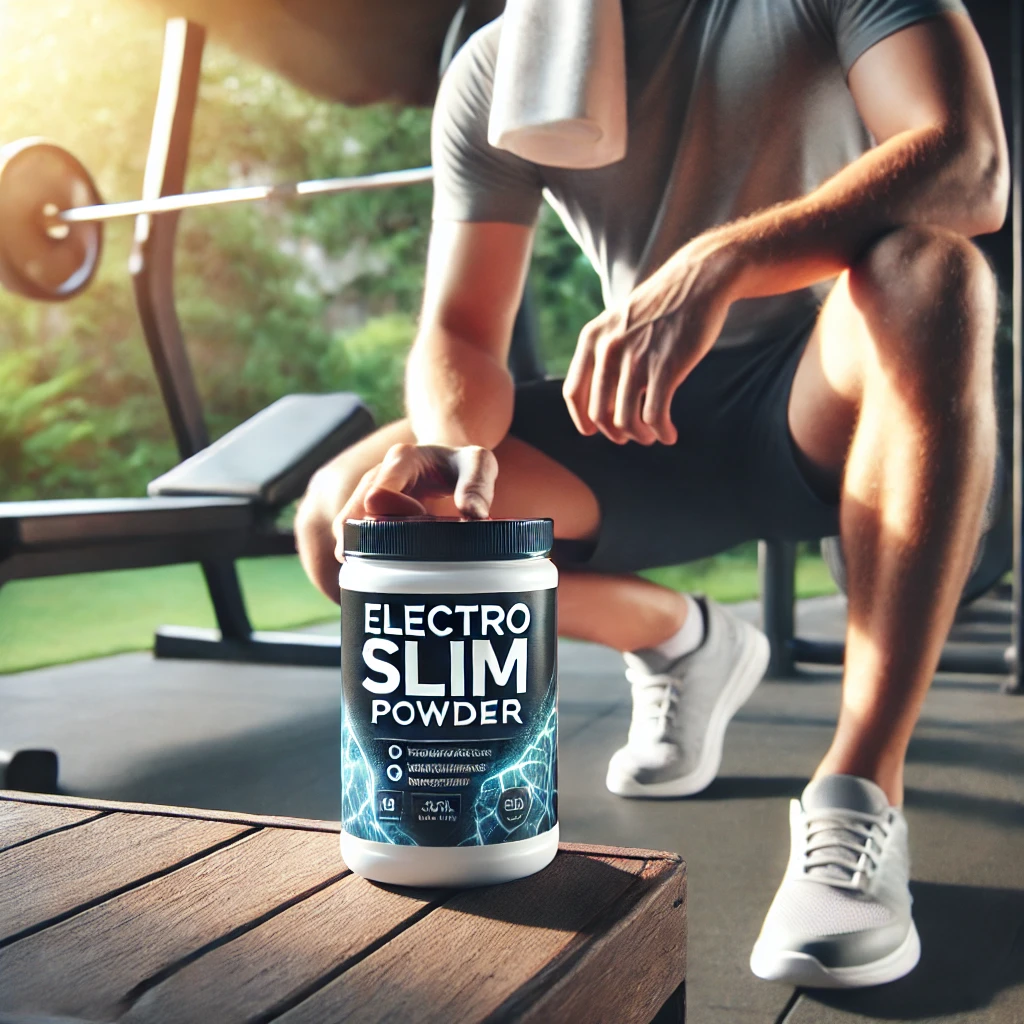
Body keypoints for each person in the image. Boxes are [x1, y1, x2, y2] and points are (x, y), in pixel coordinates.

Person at [295, 0, 1007, 988]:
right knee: (356, 525)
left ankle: (857, 791)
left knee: (933, 272)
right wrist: (456, 451)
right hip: (638, 414)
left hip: (824, 395)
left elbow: (968, 163)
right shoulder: (501, 63)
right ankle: (677, 637)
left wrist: (722, 258)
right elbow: (461, 327)